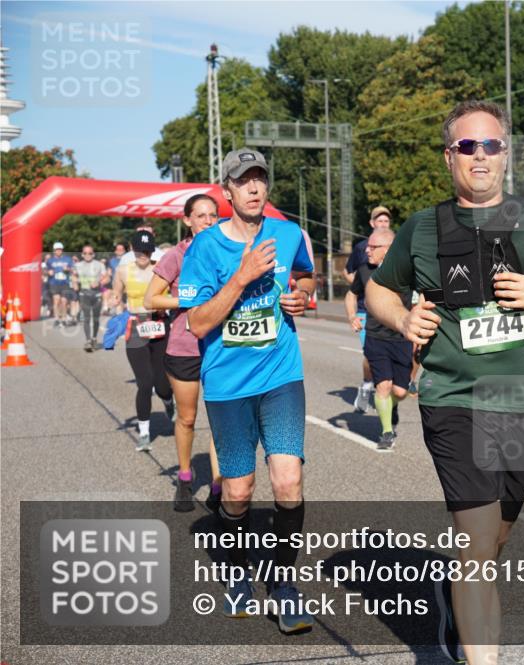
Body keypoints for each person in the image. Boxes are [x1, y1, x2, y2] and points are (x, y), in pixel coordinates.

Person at [365, 100, 524, 664]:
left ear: (505, 154)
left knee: (494, 541)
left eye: (490, 145)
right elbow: (379, 289)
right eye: (467, 146)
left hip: (522, 400)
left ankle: (453, 603)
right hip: (452, 401)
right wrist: (401, 318)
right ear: (450, 158)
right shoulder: (422, 228)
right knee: (474, 546)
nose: (480, 156)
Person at [178, 148, 316, 634]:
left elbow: (305, 274)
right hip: (227, 385)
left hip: (280, 375)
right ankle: (236, 570)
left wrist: (301, 295)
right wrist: (242, 276)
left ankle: (282, 584)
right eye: (244, 180)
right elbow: (196, 323)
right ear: (228, 191)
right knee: (238, 492)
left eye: (260, 178)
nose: (255, 188)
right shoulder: (205, 249)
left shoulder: (288, 233)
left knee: (287, 482)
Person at [144, 194, 223, 513]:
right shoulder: (177, 255)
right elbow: (151, 300)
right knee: (188, 418)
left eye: (213, 215)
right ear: (187, 221)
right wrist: (187, 301)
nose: (208, 221)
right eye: (201, 216)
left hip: (221, 344)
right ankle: (186, 479)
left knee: (222, 419)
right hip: (185, 347)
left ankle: (218, 486)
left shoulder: (228, 251)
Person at [346, 227, 412, 450]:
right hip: (375, 336)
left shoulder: (407, 269)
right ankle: (386, 432)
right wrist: (352, 315)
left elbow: (422, 294)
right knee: (382, 386)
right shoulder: (364, 270)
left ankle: (391, 407)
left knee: (400, 392)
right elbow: (351, 293)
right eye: (367, 246)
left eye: (374, 247)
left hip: (402, 337)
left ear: (389, 249)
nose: (367, 251)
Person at [113, 230, 175, 451]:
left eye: (148, 251)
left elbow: (172, 293)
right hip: (136, 327)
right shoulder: (122, 271)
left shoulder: (162, 268)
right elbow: (116, 295)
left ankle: (168, 401)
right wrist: (115, 305)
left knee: (162, 385)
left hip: (160, 325)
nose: (144, 255)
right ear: (132, 249)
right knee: (145, 383)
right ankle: (144, 433)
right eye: (140, 251)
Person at [343, 206, 392, 413]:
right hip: (366, 310)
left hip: (392, 312)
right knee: (371, 353)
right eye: (378, 221)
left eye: (386, 221)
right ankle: (366, 385)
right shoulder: (362, 248)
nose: (382, 224)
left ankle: (388, 387)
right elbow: (348, 272)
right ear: (371, 223)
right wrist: (363, 285)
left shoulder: (395, 248)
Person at [75, 244, 106, 351]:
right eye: (85, 253)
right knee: (87, 318)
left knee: (96, 318)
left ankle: (94, 338)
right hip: (84, 294)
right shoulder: (78, 265)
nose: (88, 255)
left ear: (93, 254)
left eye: (90, 253)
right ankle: (88, 340)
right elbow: (73, 276)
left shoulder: (99, 265)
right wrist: (75, 282)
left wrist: (98, 282)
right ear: (82, 254)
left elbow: (106, 278)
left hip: (97, 294)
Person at [44, 242, 75, 326]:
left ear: (62, 250)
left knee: (64, 302)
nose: (58, 251)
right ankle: (57, 319)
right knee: (56, 301)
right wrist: (48, 272)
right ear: (54, 251)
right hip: (54, 283)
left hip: (65, 283)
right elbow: (45, 270)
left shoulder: (67, 259)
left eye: (60, 250)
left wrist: (68, 269)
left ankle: (64, 318)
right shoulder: (50, 261)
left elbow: (73, 270)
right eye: (57, 250)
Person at [106, 242, 127, 313]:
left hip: (127, 287)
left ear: (125, 250)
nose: (120, 251)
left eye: (122, 249)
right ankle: (119, 320)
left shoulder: (129, 260)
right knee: (118, 305)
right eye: (118, 249)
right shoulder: (112, 261)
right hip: (116, 287)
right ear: (115, 251)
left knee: (126, 307)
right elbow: (109, 274)